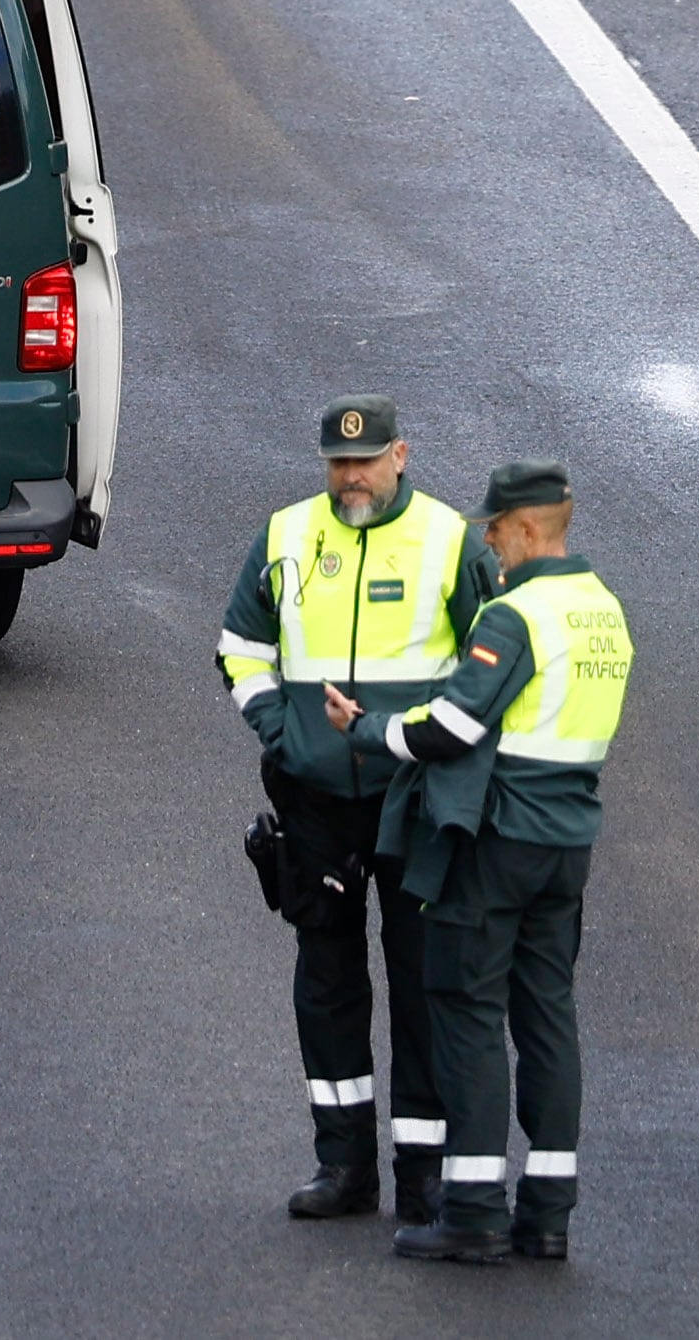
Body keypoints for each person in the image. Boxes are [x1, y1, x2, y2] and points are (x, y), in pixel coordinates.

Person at [329, 461, 634, 1267]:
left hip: (498, 840)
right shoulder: (603, 611)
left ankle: (472, 1210)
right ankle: (548, 1214)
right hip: (568, 841)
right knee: (547, 1018)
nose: (488, 544)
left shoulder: (516, 616)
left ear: (528, 529)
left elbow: (455, 730)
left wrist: (367, 731)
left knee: (464, 1012)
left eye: (494, 529)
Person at [217, 396, 496, 1223]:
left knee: (421, 983)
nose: (351, 477)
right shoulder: (287, 535)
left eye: (367, 461)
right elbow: (239, 647)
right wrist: (286, 732)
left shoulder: (448, 540)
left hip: (413, 796)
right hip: (316, 803)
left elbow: (489, 663)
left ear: (401, 455)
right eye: (339, 464)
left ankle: (424, 1175)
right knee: (327, 982)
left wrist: (449, 758)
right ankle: (343, 1166)